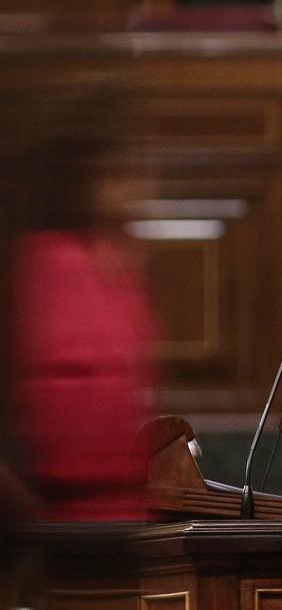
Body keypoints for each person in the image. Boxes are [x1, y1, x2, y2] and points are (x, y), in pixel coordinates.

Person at [10, 75, 158, 521]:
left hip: (123, 528)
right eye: (118, 171)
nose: (139, 183)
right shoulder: (43, 265)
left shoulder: (116, 265)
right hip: (56, 535)